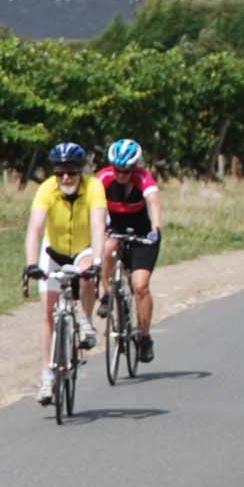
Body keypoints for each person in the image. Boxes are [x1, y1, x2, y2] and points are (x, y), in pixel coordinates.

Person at [24, 143, 102, 401]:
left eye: (71, 172)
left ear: (81, 172)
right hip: (54, 250)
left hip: (83, 247)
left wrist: (98, 260)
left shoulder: (94, 188)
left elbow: (98, 225)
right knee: (48, 310)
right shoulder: (47, 189)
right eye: (60, 172)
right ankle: (47, 376)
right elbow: (35, 227)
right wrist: (31, 263)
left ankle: (87, 321)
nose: (65, 177)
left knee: (88, 269)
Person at [97, 136, 165, 364]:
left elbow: (154, 202)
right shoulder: (104, 177)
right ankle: (107, 293)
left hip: (143, 234)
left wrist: (156, 229)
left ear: (134, 168)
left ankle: (144, 337)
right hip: (114, 228)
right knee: (107, 248)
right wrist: (97, 229)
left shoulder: (143, 178)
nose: (120, 175)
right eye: (117, 170)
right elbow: (93, 205)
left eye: (126, 171)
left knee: (140, 286)